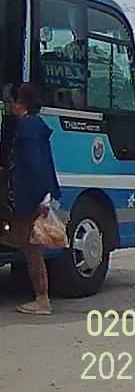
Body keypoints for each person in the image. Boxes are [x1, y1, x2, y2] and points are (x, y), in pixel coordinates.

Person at [7, 83, 62, 315]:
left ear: (20, 104)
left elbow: (35, 165)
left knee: (31, 249)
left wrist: (42, 199)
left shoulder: (27, 129)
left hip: (30, 199)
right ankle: (41, 298)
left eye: (11, 101)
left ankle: (42, 300)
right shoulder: (35, 125)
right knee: (30, 247)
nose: (9, 105)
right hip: (36, 197)